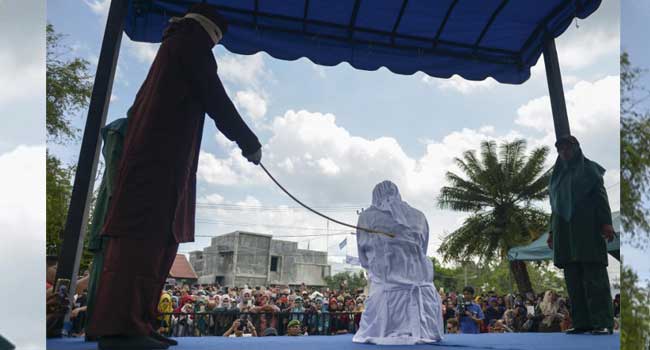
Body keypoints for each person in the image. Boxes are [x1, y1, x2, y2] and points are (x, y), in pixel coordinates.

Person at [85, 4, 262, 350]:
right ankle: (121, 331)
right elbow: (217, 98)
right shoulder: (190, 43)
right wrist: (248, 141)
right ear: (212, 30)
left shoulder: (176, 46)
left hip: (163, 165)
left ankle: (138, 323)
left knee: (159, 247)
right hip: (156, 166)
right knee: (142, 246)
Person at [353, 181, 444, 344]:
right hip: (422, 293)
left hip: (387, 294)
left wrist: (377, 271)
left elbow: (364, 256)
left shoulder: (366, 217)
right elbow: (423, 250)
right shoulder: (419, 215)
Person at [547, 135, 614, 335]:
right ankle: (583, 322)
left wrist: (606, 223)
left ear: (577, 148)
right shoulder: (557, 176)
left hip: (587, 229)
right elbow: (554, 207)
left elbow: (601, 198)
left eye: (568, 148)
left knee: (594, 277)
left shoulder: (590, 170)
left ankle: (602, 322)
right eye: (560, 149)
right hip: (564, 233)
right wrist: (551, 232)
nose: (564, 152)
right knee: (573, 280)